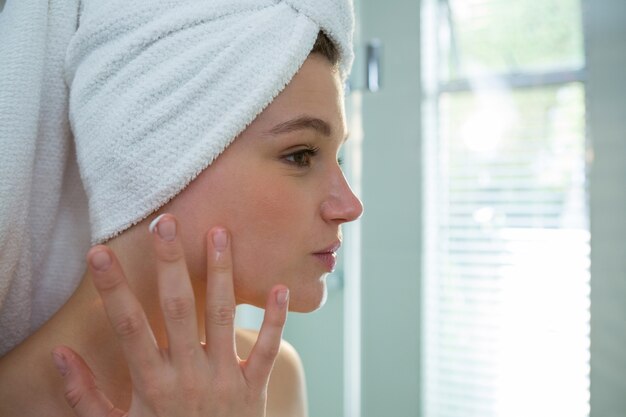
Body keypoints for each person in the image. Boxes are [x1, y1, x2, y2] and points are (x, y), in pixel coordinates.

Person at [0, 0, 362, 416]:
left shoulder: (269, 379)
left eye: (337, 158)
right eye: (301, 155)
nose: (349, 206)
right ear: (159, 155)